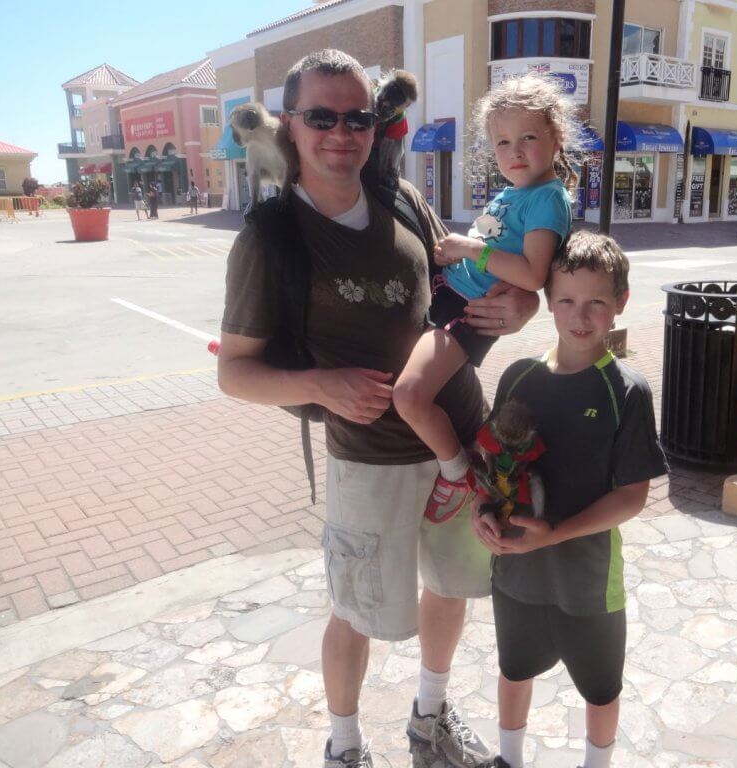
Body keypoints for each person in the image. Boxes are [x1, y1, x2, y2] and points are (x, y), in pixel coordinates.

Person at [217, 49, 538, 768]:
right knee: (355, 610)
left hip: (459, 437)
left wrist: (515, 306)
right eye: (321, 116)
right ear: (290, 126)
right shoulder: (270, 238)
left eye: (357, 116)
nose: (342, 132)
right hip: (368, 459)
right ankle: (346, 745)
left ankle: (429, 717)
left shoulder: (401, 199)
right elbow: (235, 373)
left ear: (376, 122)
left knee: (452, 587)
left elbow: (466, 286)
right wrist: (320, 386)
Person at [472, 231, 669, 768]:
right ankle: (508, 759)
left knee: (600, 688)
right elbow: (492, 469)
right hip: (516, 572)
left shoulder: (627, 390)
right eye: (565, 301)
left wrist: (557, 533)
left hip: (587, 576)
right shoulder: (519, 376)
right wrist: (482, 511)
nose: (579, 317)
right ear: (548, 302)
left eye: (595, 303)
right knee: (514, 668)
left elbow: (632, 496)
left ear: (620, 304)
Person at [393, 74, 576, 525]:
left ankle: (456, 471)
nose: (514, 152)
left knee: (410, 395)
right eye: (502, 142)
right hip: (453, 293)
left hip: (468, 311)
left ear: (557, 138)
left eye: (528, 138)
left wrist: (471, 249)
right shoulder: (518, 192)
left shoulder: (547, 200)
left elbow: (533, 274)